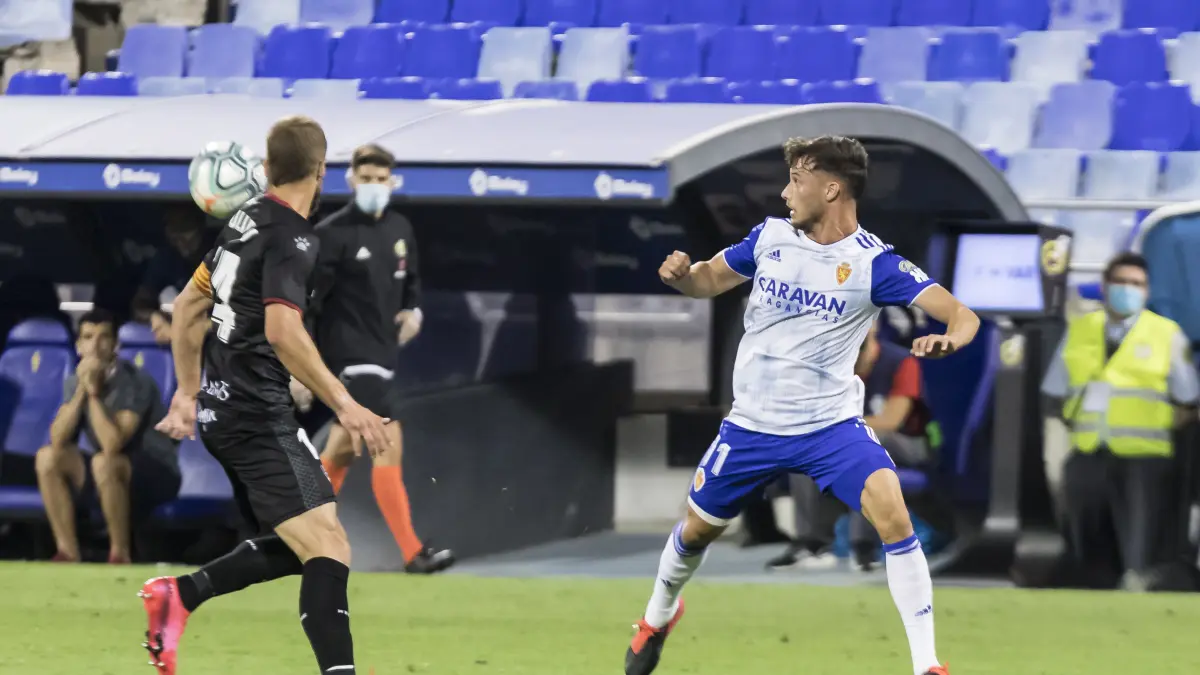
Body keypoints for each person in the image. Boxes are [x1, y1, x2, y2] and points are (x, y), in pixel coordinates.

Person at [625, 136, 979, 675]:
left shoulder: (874, 264)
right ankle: (658, 616)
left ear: (831, 189)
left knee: (892, 513)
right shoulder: (769, 238)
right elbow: (709, 279)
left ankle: (926, 664)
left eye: (796, 180)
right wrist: (684, 276)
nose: (785, 193)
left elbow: (962, 315)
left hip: (829, 426)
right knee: (696, 531)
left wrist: (949, 339)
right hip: (753, 425)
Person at [143, 115, 394, 675]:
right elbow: (283, 330)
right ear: (321, 170)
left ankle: (179, 596)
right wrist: (346, 404)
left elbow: (187, 306)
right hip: (254, 414)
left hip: (228, 409)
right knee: (328, 546)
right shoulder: (293, 236)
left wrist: (188, 393)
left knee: (305, 542)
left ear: (266, 167)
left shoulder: (246, 218)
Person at [302, 143, 453, 574]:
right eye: (365, 178)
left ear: (393, 182)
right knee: (387, 439)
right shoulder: (331, 234)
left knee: (340, 451)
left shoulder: (401, 230)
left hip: (384, 356)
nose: (373, 186)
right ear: (351, 180)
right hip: (349, 361)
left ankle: (294, 537)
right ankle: (412, 553)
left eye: (380, 179)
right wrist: (302, 371)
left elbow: (411, 286)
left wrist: (413, 313)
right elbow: (307, 306)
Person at [1041, 252, 1199, 589]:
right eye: (1121, 282)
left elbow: (1188, 401)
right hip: (1089, 453)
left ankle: (1137, 599)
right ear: (1105, 286)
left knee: (1139, 551)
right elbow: (1055, 392)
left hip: (1145, 460)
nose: (1128, 289)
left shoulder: (1166, 334)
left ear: (1147, 290)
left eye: (1137, 284)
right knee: (1086, 548)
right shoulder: (1081, 330)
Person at [767, 318, 937, 572]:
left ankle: (863, 547)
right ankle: (812, 543)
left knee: (863, 444)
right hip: (849, 441)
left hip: (906, 445)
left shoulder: (901, 362)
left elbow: (891, 421)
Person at [34, 308, 180, 563]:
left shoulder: (136, 381)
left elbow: (112, 443)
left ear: (115, 345)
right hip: (107, 472)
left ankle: (119, 554)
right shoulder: (74, 381)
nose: (95, 346)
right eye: (88, 337)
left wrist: (92, 394)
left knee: (105, 462)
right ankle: (67, 552)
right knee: (47, 458)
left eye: (103, 337)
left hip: (155, 472)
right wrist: (81, 390)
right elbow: (58, 438)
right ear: (78, 346)